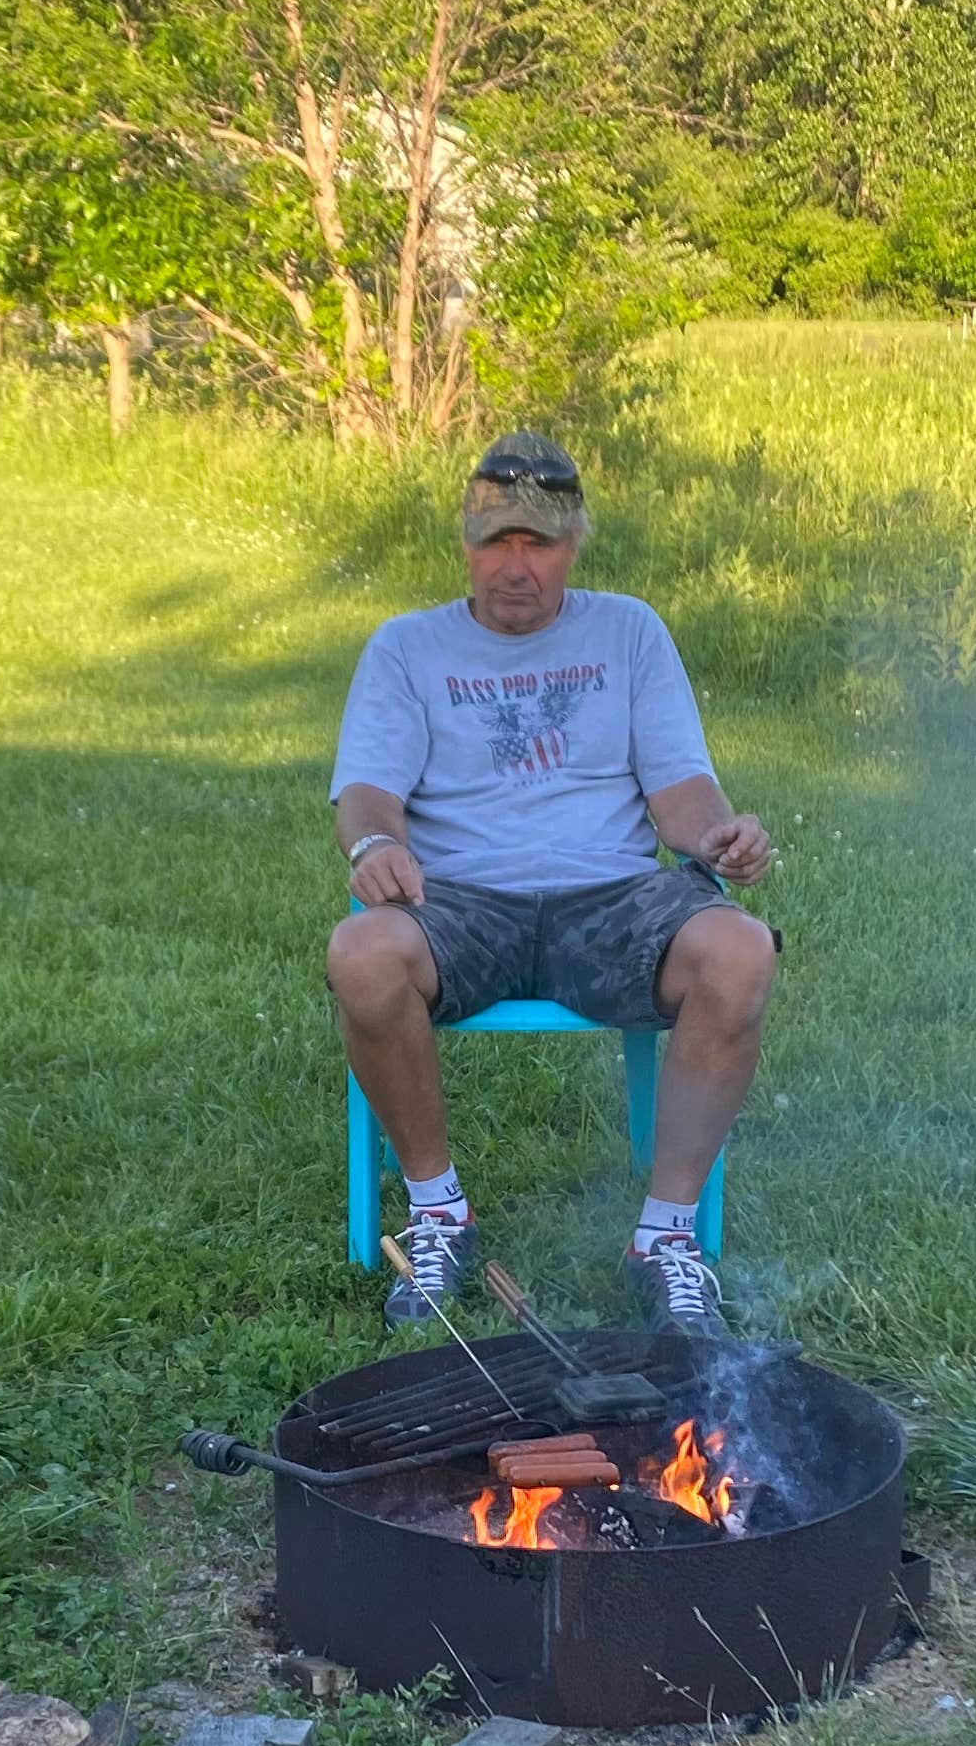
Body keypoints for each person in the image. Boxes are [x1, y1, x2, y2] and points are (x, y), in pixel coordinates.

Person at [326, 433, 777, 1340]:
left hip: (607, 898)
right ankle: (440, 1216)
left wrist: (718, 836)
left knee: (738, 947)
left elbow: (679, 788)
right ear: (465, 541)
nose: (516, 566)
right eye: (497, 541)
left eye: (538, 543)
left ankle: (665, 1240)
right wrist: (375, 843)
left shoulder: (628, 630)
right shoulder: (407, 648)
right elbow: (367, 789)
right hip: (459, 902)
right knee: (361, 951)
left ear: (575, 543)